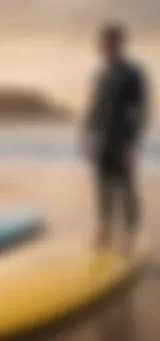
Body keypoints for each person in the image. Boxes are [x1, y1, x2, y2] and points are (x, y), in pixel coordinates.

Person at [83, 22, 149, 254]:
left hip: (122, 141)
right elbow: (94, 108)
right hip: (103, 140)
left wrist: (131, 143)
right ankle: (105, 230)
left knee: (126, 190)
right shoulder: (101, 75)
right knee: (103, 189)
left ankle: (129, 235)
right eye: (102, 42)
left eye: (108, 42)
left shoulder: (133, 73)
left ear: (119, 43)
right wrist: (86, 134)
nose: (104, 46)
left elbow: (141, 110)